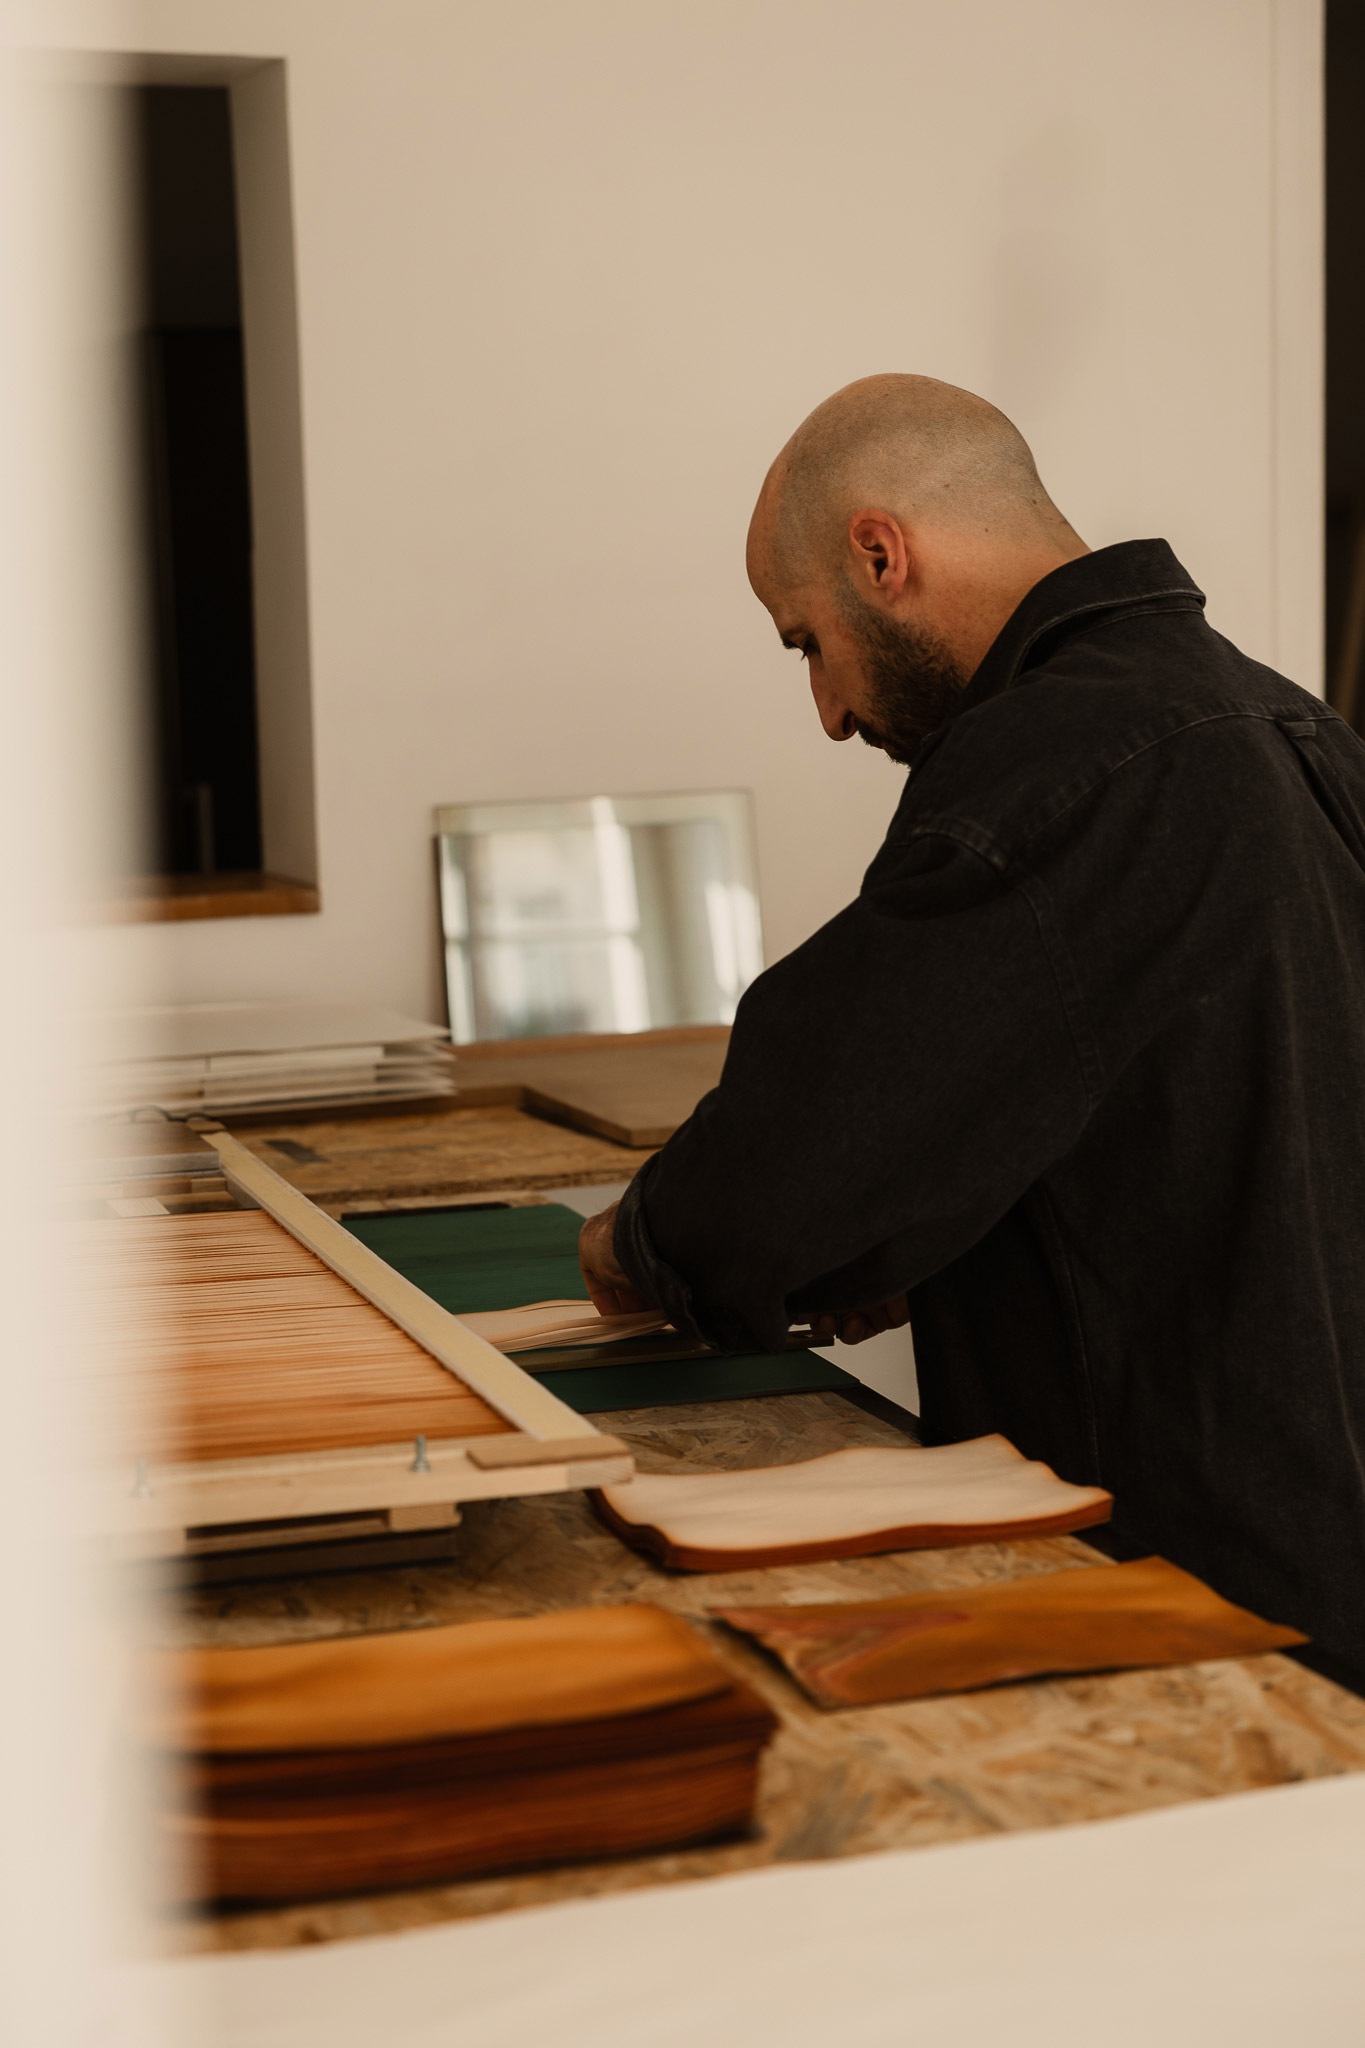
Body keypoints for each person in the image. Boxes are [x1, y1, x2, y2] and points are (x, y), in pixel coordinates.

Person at [578, 373, 1365, 1690]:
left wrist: (639, 1244)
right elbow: (1184, 1097)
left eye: (804, 643)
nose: (825, 707)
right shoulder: (1292, 727)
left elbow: (793, 1164)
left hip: (1189, 1594)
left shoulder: (1066, 755)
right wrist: (950, 1215)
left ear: (880, 554)